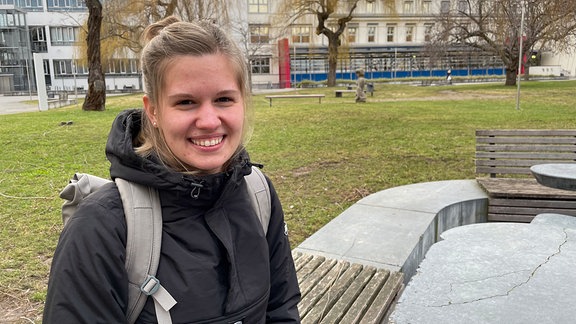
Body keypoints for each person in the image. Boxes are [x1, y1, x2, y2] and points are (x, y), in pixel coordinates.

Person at [43, 16, 301, 323]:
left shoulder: (259, 194)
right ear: (153, 110)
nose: (208, 120)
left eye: (223, 99)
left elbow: (280, 309)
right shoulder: (100, 229)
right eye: (186, 102)